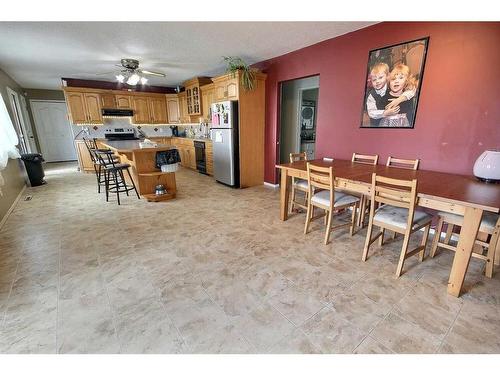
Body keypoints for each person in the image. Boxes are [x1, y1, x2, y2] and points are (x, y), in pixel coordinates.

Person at [365, 62, 415, 126]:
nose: (377, 81)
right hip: (378, 123)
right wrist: (385, 113)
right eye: (374, 80)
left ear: (387, 77)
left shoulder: (392, 86)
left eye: (380, 77)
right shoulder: (372, 95)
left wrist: (399, 99)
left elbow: (412, 90)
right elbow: (371, 112)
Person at [379, 63, 417, 127]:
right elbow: (379, 111)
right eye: (393, 79)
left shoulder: (408, 97)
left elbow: (411, 113)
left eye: (401, 78)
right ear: (389, 82)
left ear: (406, 81)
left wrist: (399, 101)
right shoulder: (384, 96)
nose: (396, 81)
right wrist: (385, 111)